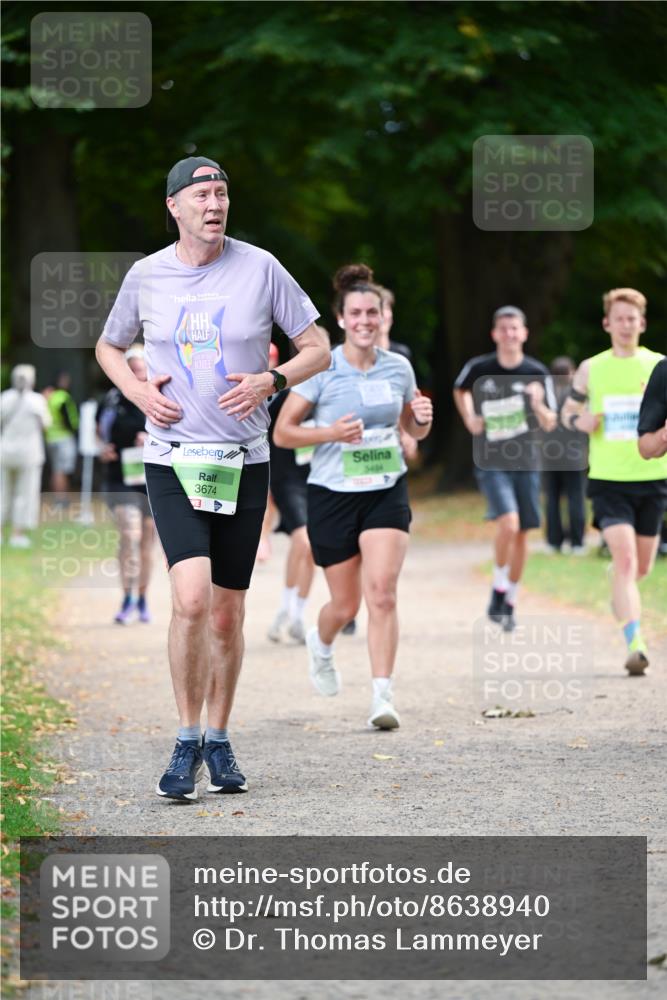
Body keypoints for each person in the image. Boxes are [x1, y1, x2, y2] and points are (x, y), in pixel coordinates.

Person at [96, 155, 329, 800]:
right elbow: (109, 346)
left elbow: (319, 347)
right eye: (201, 194)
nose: (214, 203)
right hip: (173, 455)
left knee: (226, 614)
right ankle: (184, 739)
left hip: (245, 460)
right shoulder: (147, 275)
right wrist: (139, 393)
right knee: (191, 599)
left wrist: (271, 380)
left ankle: (219, 740)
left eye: (222, 192)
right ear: (174, 206)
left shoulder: (261, 267)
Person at [274, 263, 433, 730]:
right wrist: (331, 432)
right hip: (333, 493)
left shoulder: (399, 367)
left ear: (384, 317)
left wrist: (420, 419)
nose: (366, 320)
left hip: (385, 489)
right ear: (341, 319)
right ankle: (320, 644)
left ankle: (382, 696)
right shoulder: (323, 368)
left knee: (381, 594)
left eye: (373, 313)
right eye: (356, 313)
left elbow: (412, 429)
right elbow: (283, 433)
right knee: (344, 606)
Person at [562, 289, 667, 675]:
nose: (626, 325)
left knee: (640, 569)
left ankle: (621, 596)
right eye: (619, 318)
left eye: (632, 318)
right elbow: (567, 412)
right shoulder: (592, 368)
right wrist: (582, 421)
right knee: (625, 560)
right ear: (607, 323)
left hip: (654, 478)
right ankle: (636, 643)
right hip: (608, 478)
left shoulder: (659, 366)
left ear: (643, 323)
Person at [453, 306, 557, 631]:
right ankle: (498, 587)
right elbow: (460, 389)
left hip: (526, 461)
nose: (510, 334)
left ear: (524, 333)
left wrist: (538, 403)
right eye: (504, 329)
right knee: (508, 524)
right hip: (491, 460)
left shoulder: (536, 372)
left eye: (516, 329)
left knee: (523, 533)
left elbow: (551, 423)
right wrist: (470, 417)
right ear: (495, 334)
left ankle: (508, 601)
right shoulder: (480, 368)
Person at [97, 344, 156, 625]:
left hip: (153, 477)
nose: (138, 372)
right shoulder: (112, 399)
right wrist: (103, 448)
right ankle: (126, 597)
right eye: (132, 368)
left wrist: (151, 439)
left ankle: (142, 599)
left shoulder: (160, 395)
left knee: (146, 540)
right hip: (120, 478)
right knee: (128, 535)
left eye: (142, 367)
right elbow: (99, 433)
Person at [266, 385, 316, 644]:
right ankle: (287, 607)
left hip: (319, 479)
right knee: (303, 540)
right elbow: (264, 432)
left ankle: (295, 614)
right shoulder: (287, 395)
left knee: (311, 550)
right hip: (287, 480)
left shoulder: (332, 393)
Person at [1, 364, 51, 547]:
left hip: (5, 451)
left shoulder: (5, 397)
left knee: (3, 492)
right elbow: (46, 424)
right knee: (25, 493)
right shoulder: (37, 400)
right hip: (29, 453)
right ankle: (17, 533)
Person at [543, 356, 587, 554]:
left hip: (549, 455)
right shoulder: (578, 395)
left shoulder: (546, 395)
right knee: (575, 498)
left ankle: (554, 541)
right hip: (574, 455)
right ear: (572, 372)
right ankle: (577, 542)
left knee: (552, 499)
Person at [44, 372, 79, 501]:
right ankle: (61, 499)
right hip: (63, 437)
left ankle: (57, 497)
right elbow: (67, 418)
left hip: (51, 438)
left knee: (56, 470)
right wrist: (73, 429)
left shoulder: (49, 396)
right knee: (61, 471)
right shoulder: (63, 397)